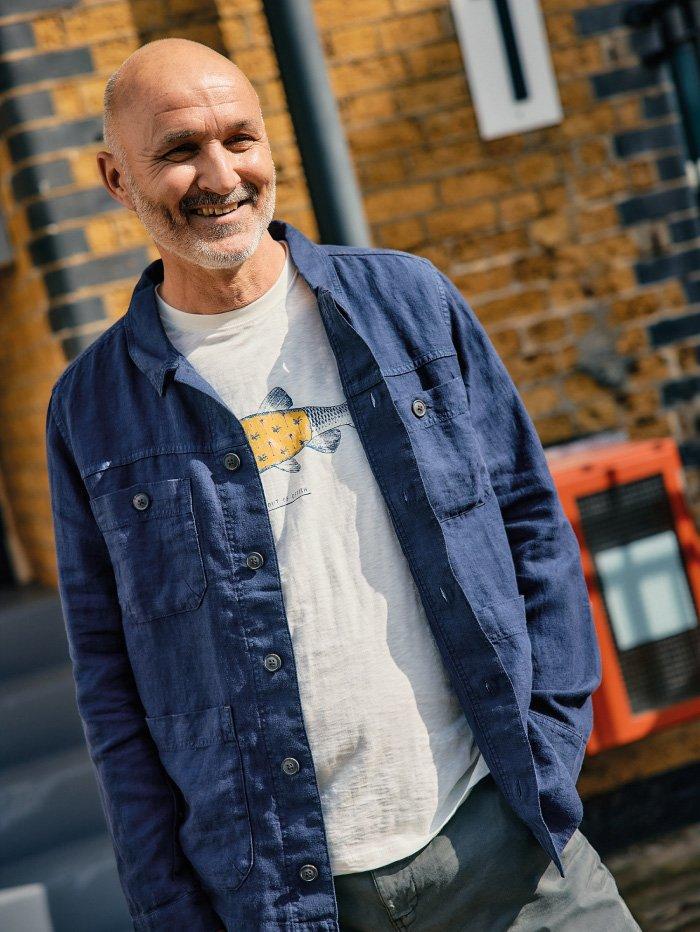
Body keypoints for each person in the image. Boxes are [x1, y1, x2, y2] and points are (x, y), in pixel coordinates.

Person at [44, 37, 641, 931]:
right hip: (291, 901)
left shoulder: (408, 304)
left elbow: (530, 520)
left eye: (239, 138)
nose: (220, 174)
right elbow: (112, 680)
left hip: (513, 856)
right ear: (117, 178)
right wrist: (168, 906)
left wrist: (550, 750)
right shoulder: (92, 409)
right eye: (177, 152)